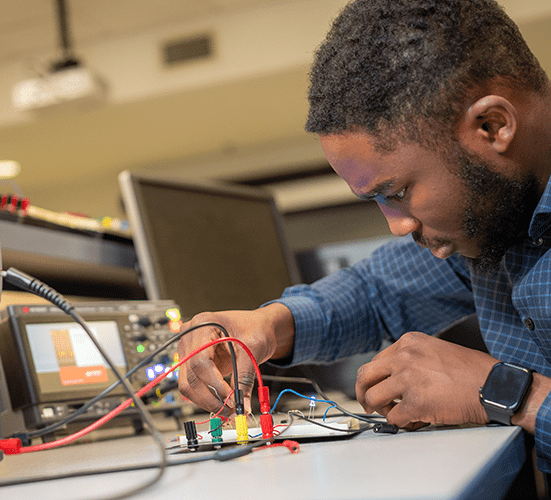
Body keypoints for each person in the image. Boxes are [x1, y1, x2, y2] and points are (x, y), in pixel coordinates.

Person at [176, 0, 551, 473]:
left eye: (397, 192)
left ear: (492, 126)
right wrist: (267, 326)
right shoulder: (496, 217)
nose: (396, 225)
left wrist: (508, 391)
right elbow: (376, 294)